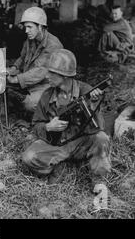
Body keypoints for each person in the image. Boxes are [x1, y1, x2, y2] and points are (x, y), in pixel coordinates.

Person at [21, 49, 111, 188]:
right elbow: (36, 125)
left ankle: (99, 181)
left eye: (51, 73)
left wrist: (93, 106)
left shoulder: (86, 91)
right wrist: (48, 127)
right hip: (56, 146)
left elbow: (98, 128)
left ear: (64, 76)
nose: (47, 76)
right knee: (29, 157)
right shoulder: (47, 95)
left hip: (80, 144)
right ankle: (64, 165)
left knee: (101, 138)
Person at [7, 7, 63, 113]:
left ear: (40, 26)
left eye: (30, 27)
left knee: (30, 104)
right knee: (3, 88)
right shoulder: (31, 39)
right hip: (31, 80)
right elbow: (22, 58)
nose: (26, 31)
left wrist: (16, 79)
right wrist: (14, 68)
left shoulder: (53, 45)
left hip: (48, 84)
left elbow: (40, 71)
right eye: (25, 27)